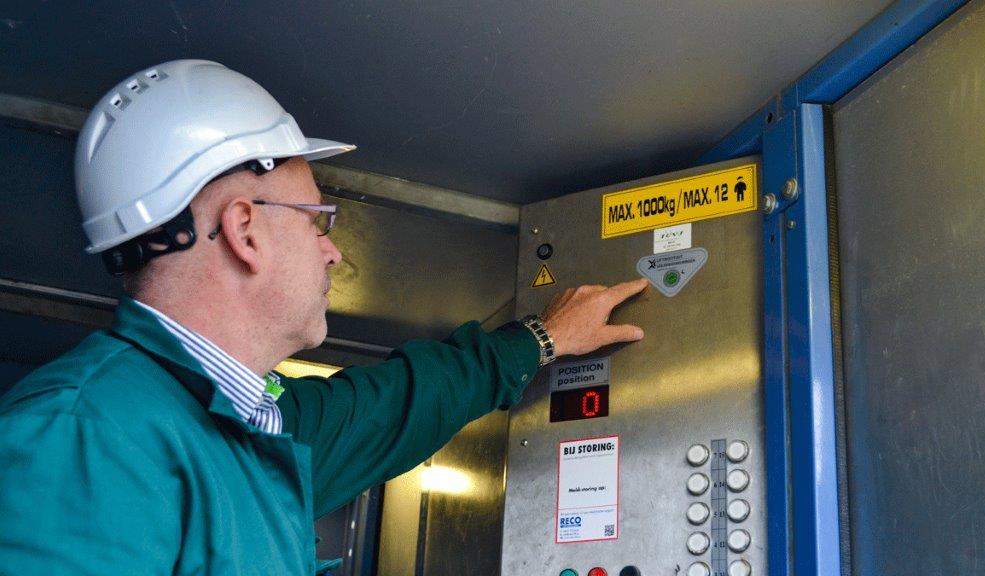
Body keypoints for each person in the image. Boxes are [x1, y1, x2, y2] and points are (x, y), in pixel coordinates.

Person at [0, 60, 647, 575]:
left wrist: (543, 338)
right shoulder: (80, 438)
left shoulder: (251, 427)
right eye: (317, 220)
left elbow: (394, 406)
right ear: (245, 231)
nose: (332, 250)